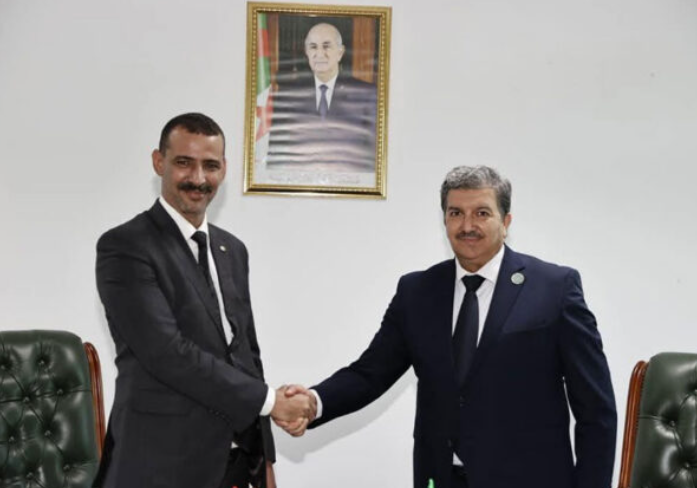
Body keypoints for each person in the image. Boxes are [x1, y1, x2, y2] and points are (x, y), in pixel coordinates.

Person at [279, 166, 617, 488]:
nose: (467, 225)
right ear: (444, 220)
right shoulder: (417, 292)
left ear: (506, 221)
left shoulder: (554, 288)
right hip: (440, 477)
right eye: (456, 213)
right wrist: (314, 401)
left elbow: (596, 411)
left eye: (481, 213)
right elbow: (370, 374)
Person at [94, 113, 314, 488]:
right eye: (184, 162)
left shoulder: (232, 250)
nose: (198, 178)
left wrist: (264, 455)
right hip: (159, 466)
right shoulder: (126, 246)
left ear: (224, 169)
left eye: (210, 165)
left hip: (236, 463)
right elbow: (168, 353)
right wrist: (269, 401)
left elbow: (246, 355)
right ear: (158, 162)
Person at [266, 22, 377, 172]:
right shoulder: (288, 94)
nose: (319, 54)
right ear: (306, 52)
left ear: (340, 52)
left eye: (326, 46)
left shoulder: (366, 94)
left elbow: (374, 156)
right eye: (313, 47)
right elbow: (276, 152)